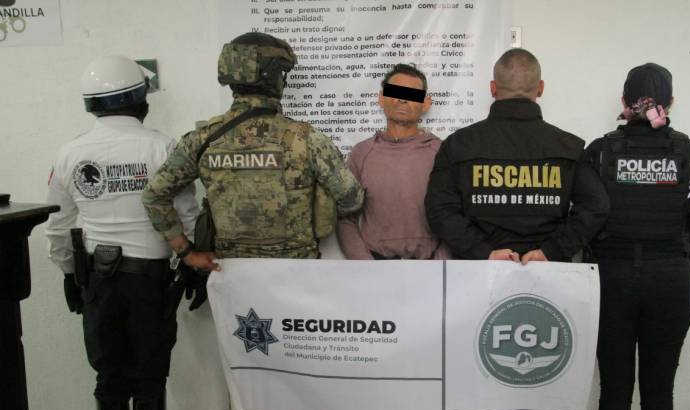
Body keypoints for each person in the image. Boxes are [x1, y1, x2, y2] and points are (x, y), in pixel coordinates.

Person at [45, 55, 199, 410]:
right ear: (139, 99)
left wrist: (69, 273)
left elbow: (58, 226)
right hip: (150, 279)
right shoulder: (163, 148)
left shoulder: (70, 153)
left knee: (108, 374)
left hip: (98, 278)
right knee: (149, 373)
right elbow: (186, 216)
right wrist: (191, 264)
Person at [588, 63, 690, 410]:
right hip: (671, 278)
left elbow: (585, 218)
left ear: (624, 101)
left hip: (612, 278)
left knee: (615, 388)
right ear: (670, 101)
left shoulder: (600, 152)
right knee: (659, 390)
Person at [142, 32, 364, 267]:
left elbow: (154, 196)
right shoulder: (306, 139)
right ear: (271, 76)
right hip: (296, 271)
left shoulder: (202, 139)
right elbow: (352, 199)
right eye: (281, 74)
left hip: (231, 270)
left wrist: (186, 253)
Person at [425, 48, 609, 262]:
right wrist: (551, 251)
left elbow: (439, 210)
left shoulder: (458, 144)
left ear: (493, 88)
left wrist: (483, 252)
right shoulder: (570, 147)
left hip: (478, 272)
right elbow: (596, 207)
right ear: (541, 88)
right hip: (549, 273)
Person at [337, 64, 447, 260]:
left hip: (430, 267)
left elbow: (456, 214)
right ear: (381, 98)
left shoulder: (442, 152)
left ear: (426, 103)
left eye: (412, 94)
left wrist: (439, 264)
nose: (403, 99)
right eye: (395, 92)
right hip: (376, 265)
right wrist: (367, 266)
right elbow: (345, 217)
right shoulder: (361, 153)